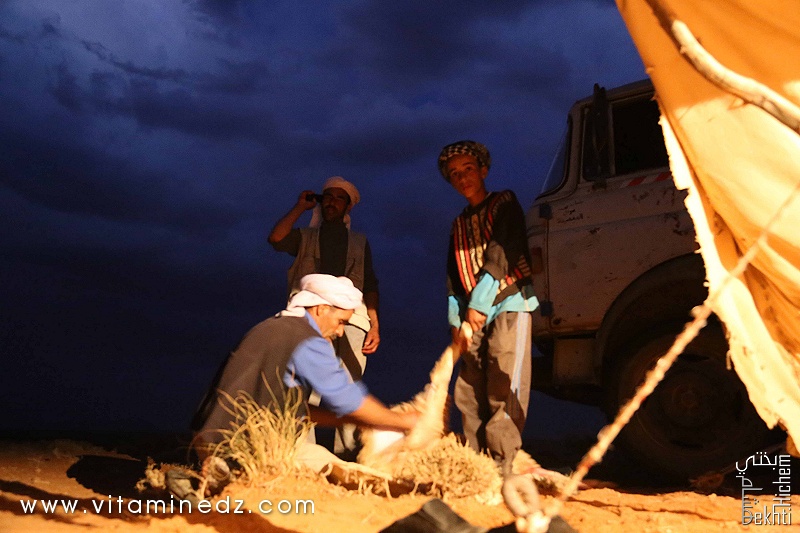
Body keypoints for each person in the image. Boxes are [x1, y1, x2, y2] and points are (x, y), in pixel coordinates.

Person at [193, 274, 415, 451]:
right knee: (336, 474)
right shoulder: (306, 338)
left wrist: (358, 421)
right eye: (341, 322)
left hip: (210, 441)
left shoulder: (275, 326)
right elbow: (346, 398)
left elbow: (294, 410)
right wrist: (405, 422)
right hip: (243, 447)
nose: (339, 332)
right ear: (322, 308)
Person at [438, 140, 539, 476]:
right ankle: (475, 464)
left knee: (503, 381)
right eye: (454, 174)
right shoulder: (457, 225)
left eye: (468, 169)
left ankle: (503, 465)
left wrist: (479, 304)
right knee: (469, 389)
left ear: (483, 171)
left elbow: (500, 254)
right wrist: (457, 319)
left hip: (508, 303)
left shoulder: (504, 202)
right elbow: (454, 277)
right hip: (471, 318)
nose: (462, 177)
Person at [268, 176, 380, 457]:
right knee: (306, 383)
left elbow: (370, 284)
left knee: (350, 382)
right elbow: (276, 238)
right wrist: (299, 207)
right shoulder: (305, 236)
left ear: (348, 206)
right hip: (312, 318)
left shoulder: (359, 241)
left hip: (351, 321)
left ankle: (348, 453)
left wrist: (375, 324)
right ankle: (303, 454)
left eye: (339, 198)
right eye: (327, 196)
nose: (332, 201)